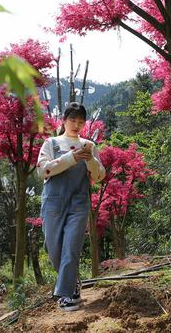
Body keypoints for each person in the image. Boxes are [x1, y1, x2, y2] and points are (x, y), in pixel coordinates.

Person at [37, 102, 105, 311]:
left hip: (78, 202)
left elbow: (99, 176)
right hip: (53, 202)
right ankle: (73, 280)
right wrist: (71, 157)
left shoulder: (89, 145)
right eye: (72, 120)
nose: (76, 125)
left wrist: (90, 160)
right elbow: (42, 171)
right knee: (53, 247)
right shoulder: (51, 143)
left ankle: (69, 294)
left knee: (71, 248)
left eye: (80, 121)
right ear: (64, 121)